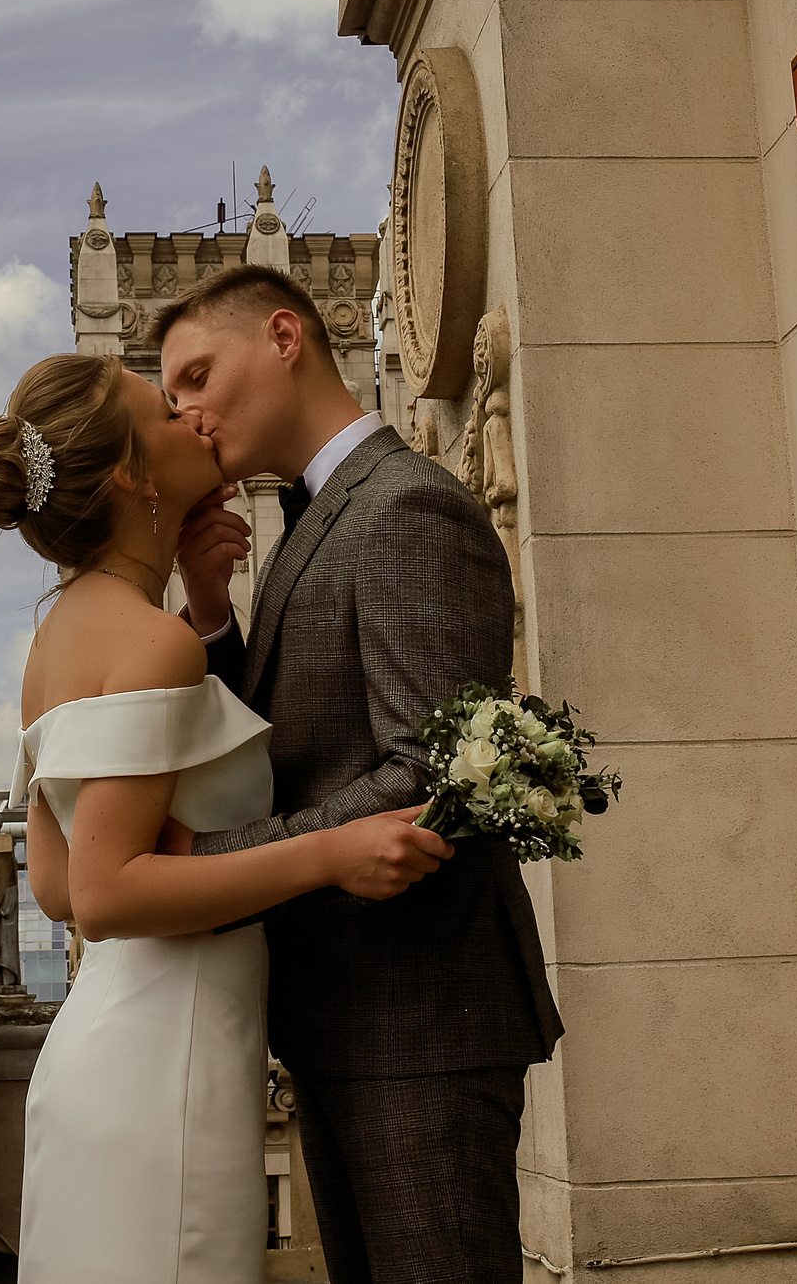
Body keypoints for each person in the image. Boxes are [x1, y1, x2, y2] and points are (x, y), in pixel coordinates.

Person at [0, 353, 451, 1284]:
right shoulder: (152, 643)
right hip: (170, 1063)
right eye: (165, 412)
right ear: (132, 474)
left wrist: (204, 599)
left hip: (105, 1052)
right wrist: (328, 851)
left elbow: (55, 885)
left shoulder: (58, 636)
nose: (195, 418)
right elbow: (103, 894)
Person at [155, 263, 561, 1284]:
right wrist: (211, 610)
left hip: (419, 1010)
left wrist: (208, 863)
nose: (187, 412)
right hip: (346, 1008)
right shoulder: (320, 516)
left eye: (198, 376)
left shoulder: (407, 507)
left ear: (284, 337)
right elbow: (294, 741)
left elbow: (423, 777)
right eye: (171, 396)